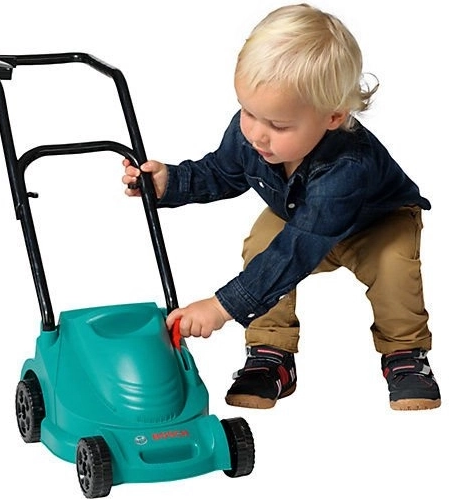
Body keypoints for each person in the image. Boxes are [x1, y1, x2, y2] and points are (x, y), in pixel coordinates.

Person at [122, 3, 440, 411]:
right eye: (249, 112)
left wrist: (222, 306)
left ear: (333, 117)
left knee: (392, 264)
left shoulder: (349, 166)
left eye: (278, 125)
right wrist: (171, 182)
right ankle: (270, 352)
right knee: (262, 242)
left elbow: (297, 250)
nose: (257, 134)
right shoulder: (252, 135)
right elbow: (221, 171)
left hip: (376, 222)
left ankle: (405, 352)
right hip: (297, 216)